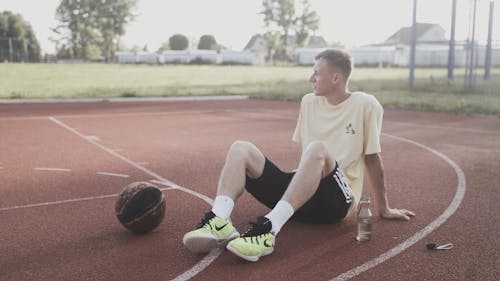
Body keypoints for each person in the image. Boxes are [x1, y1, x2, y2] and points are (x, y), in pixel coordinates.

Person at [182, 49, 415, 262]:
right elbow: (305, 159)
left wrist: (384, 208)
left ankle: (268, 231)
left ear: (335, 78)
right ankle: (220, 221)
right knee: (240, 148)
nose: (310, 78)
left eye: (316, 73)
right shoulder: (308, 102)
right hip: (302, 199)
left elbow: (372, 159)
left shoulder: (366, 104)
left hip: (336, 203)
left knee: (317, 148)